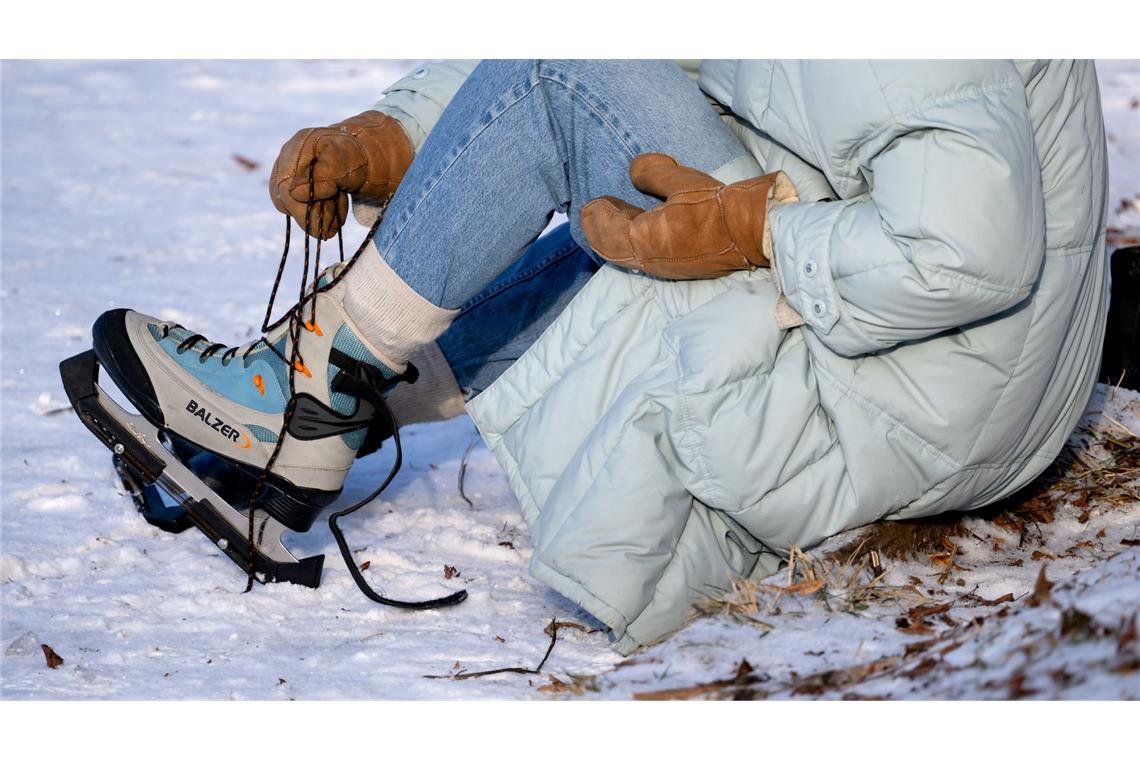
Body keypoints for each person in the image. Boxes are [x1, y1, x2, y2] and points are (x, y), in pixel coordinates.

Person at [93, 60, 1109, 653]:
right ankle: (326, 400)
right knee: (592, 106)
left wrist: (753, 229)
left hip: (919, 393)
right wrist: (393, 137)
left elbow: (967, 251)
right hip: (954, 376)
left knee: (566, 78)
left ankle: (307, 401)